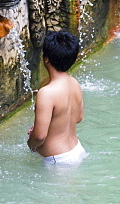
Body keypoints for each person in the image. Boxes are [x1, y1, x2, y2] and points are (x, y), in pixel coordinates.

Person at [27, 30, 86, 166]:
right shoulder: (74, 83)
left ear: (46, 59)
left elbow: (40, 137)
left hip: (58, 160)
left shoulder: (46, 93)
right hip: (77, 149)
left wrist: (31, 142)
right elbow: (78, 117)